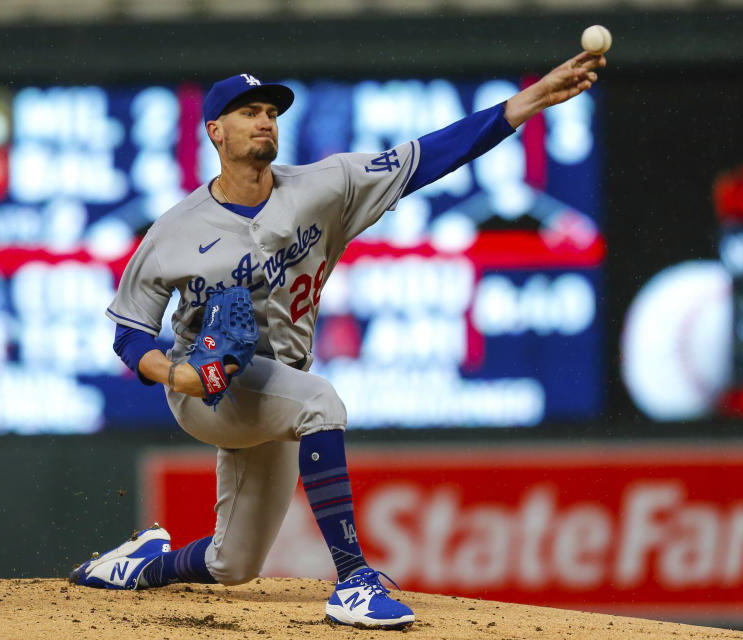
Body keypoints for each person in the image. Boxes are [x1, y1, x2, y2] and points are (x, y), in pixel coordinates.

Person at [69, 53, 605, 628]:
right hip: (207, 394)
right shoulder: (175, 229)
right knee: (323, 403)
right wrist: (176, 375)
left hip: (279, 383)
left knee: (234, 563)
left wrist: (528, 102)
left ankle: (140, 565)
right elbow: (129, 333)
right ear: (215, 132)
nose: (265, 121)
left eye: (271, 111)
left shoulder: (326, 187)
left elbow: (428, 157)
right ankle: (353, 580)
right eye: (248, 112)